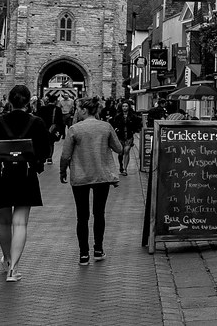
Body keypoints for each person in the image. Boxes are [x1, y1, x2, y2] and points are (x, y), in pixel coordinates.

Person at [0, 84, 51, 282]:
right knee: (20, 223)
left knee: (3, 222)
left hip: (0, 176)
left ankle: (7, 260)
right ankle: (14, 269)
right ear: (28, 102)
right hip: (25, 175)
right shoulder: (36, 122)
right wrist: (37, 164)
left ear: (9, 100)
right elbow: (45, 149)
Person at [60, 97, 123, 265]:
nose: (76, 111)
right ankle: (98, 249)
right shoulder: (105, 127)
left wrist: (62, 171)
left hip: (80, 176)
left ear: (84, 110)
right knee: (99, 213)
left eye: (77, 109)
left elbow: (65, 155)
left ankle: (83, 254)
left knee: (82, 216)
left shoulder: (75, 129)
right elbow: (119, 148)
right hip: (101, 176)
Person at [110, 100, 142, 176]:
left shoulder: (132, 116)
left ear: (129, 107)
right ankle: (121, 165)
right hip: (120, 136)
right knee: (120, 152)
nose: (124, 108)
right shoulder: (118, 116)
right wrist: (116, 129)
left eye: (126, 106)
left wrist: (134, 130)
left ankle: (125, 169)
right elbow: (114, 124)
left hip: (129, 136)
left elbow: (137, 124)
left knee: (126, 151)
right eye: (123, 106)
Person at [35, 96, 65, 165]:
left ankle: (42, 157)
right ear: (55, 101)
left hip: (43, 129)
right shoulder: (57, 109)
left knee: (42, 143)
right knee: (51, 143)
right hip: (52, 129)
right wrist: (62, 132)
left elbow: (37, 118)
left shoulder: (42, 108)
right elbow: (60, 121)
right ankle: (49, 158)